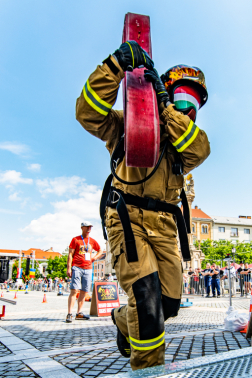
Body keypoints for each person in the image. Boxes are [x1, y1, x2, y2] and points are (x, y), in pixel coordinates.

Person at [76, 41, 210, 371]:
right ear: (160, 90)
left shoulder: (183, 141)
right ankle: (148, 370)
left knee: (169, 303)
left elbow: (200, 149)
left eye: (192, 103)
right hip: (128, 217)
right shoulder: (129, 123)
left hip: (165, 225)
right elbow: (88, 112)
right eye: (180, 97)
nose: (185, 108)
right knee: (147, 302)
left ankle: (124, 319)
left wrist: (165, 108)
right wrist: (115, 65)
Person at [66, 221, 103, 323]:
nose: (89, 229)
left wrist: (94, 257)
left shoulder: (92, 241)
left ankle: (79, 313)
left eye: (90, 227)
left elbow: (100, 250)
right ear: (82, 227)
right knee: (74, 291)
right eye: (87, 227)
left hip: (88, 268)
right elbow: (70, 254)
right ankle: (69, 314)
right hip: (77, 267)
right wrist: (69, 268)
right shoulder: (75, 239)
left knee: (84, 291)